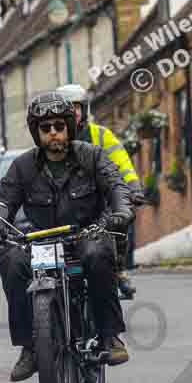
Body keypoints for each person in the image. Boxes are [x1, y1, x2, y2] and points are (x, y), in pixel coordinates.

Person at [0, 91, 134, 382]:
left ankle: (110, 336)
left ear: (69, 127)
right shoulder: (23, 167)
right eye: (45, 128)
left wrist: (121, 210)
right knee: (12, 261)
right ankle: (29, 348)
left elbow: (116, 185)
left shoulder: (92, 156)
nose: (53, 132)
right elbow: (2, 200)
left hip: (88, 234)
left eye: (58, 126)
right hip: (43, 241)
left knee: (97, 254)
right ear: (37, 133)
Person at [56, 84, 145, 298]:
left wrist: (133, 187)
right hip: (65, 204)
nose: (73, 112)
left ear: (84, 109)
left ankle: (119, 270)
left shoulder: (100, 135)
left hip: (98, 200)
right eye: (67, 108)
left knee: (119, 218)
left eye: (76, 107)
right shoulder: (51, 137)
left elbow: (121, 162)